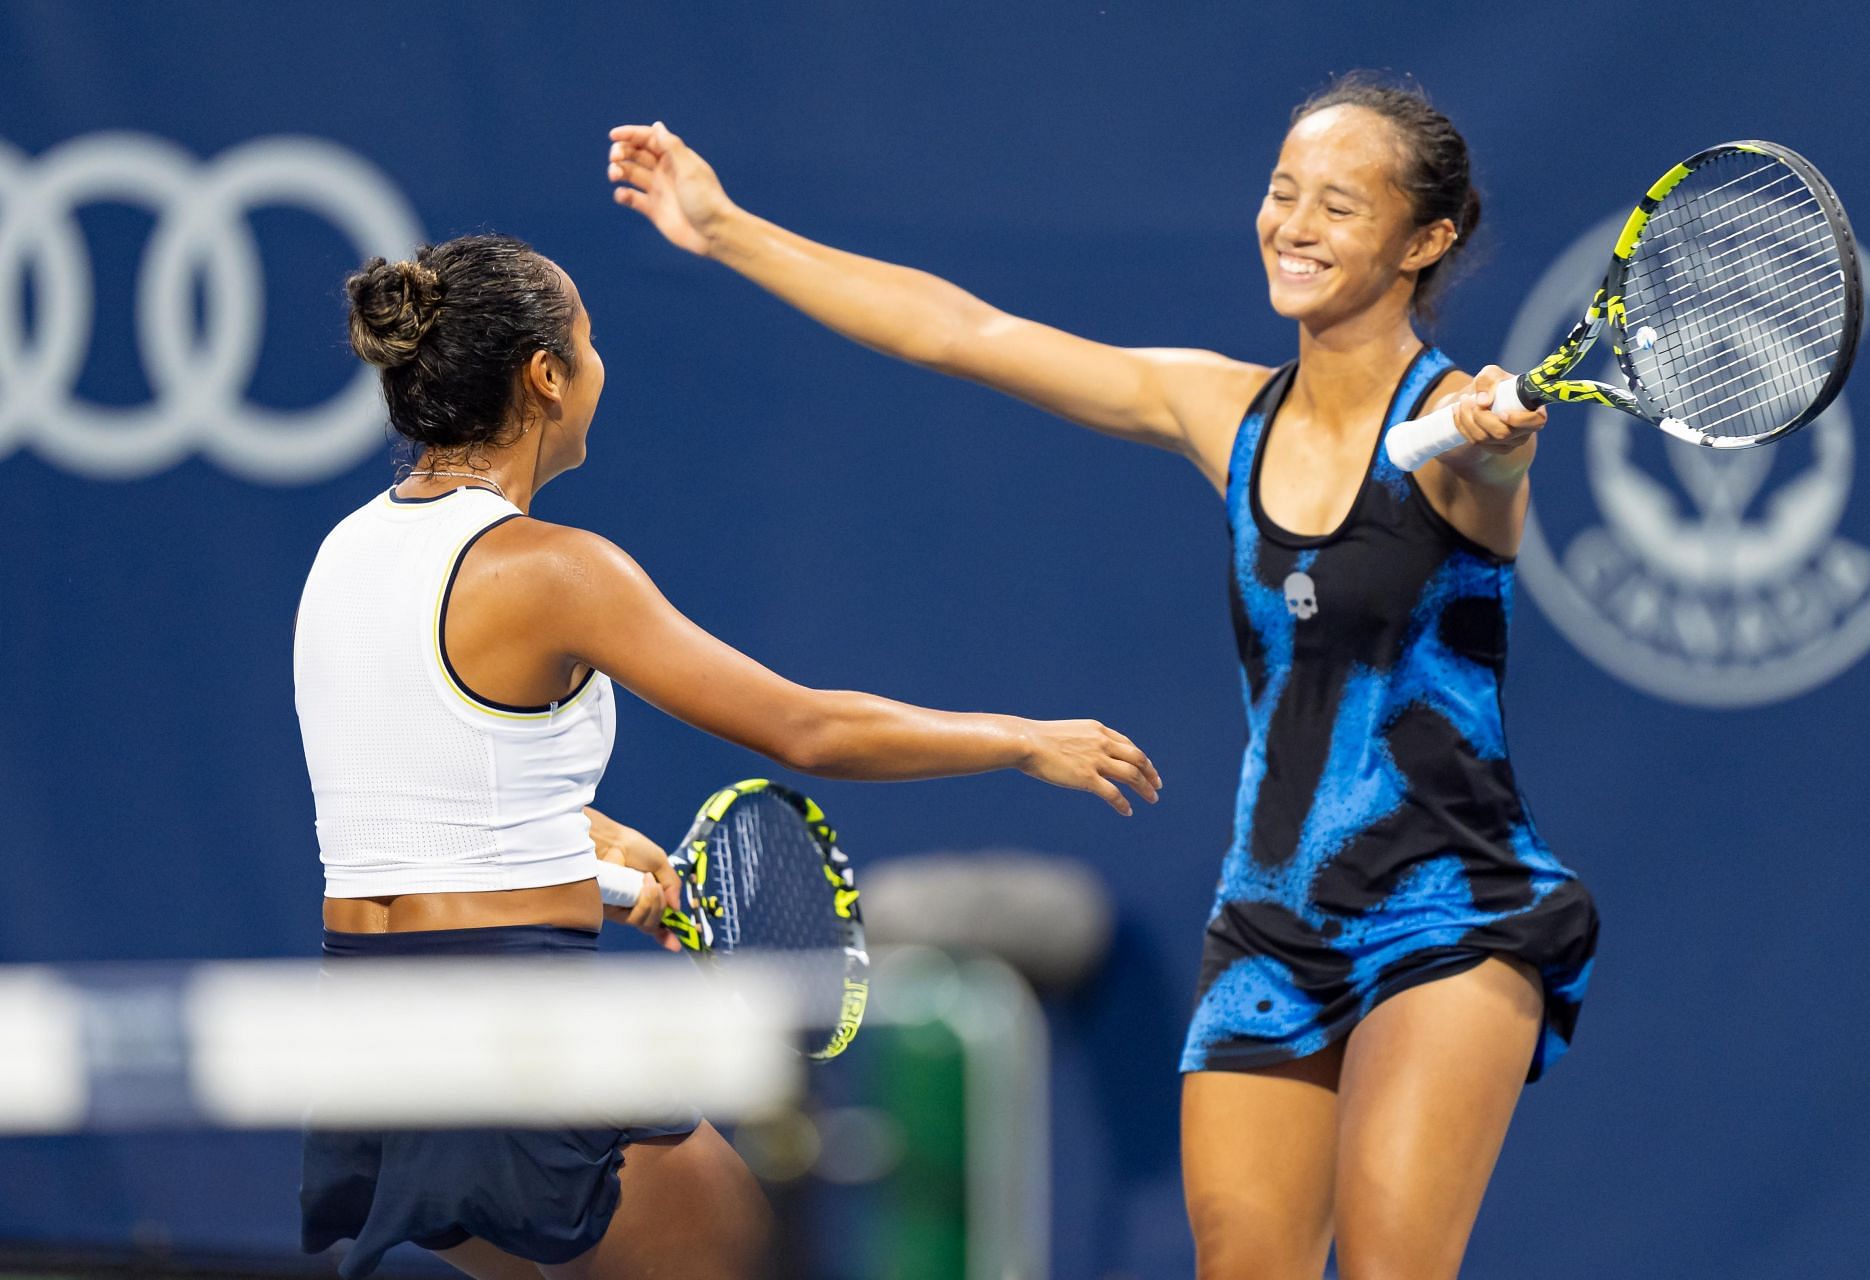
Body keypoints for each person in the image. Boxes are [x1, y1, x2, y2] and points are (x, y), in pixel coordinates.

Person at [607, 71, 1600, 1280]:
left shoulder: (1465, 430)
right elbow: (963, 330)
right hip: (1272, 922)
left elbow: (1491, 503)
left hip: (1452, 908)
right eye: (1284, 191)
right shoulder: (1220, 407)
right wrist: (724, 228)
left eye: (1340, 205)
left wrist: (1495, 454)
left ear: (1424, 239)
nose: (1294, 224)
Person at [292, 232, 1161, 1280]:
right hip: (508, 1040)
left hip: (364, 1046)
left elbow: (419, 809)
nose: (603, 367)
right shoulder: (556, 570)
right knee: (754, 1253)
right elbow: (808, 727)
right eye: (591, 341)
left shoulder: (345, 553)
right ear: (545, 376)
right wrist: (1021, 738)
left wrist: (593, 851)